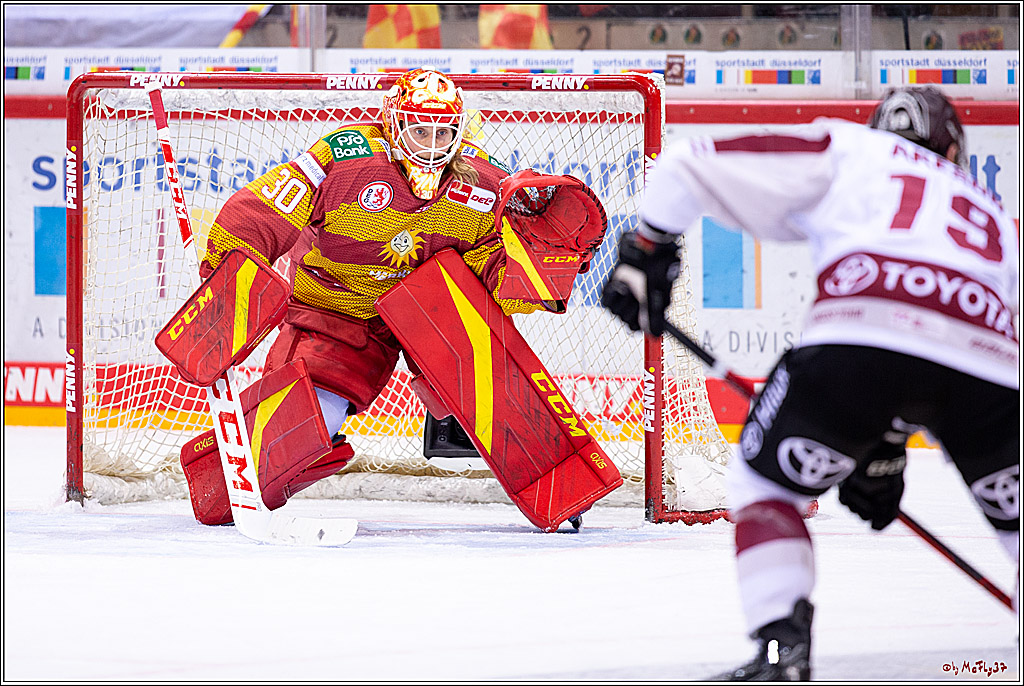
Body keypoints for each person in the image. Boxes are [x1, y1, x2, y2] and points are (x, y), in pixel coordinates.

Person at [602, 85, 1019, 680]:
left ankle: (781, 651)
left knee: (762, 486)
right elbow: (937, 347)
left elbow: (685, 163)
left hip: (855, 343)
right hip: (990, 367)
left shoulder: (851, 150)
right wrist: (883, 452)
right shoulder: (993, 213)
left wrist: (647, 249)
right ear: (954, 151)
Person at [176, 67, 608, 527]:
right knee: (307, 421)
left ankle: (557, 485)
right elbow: (258, 212)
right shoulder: (344, 158)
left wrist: (536, 270)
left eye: (444, 133)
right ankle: (226, 478)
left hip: (431, 313)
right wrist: (223, 278)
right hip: (338, 308)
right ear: (394, 122)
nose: (431, 144)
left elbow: (492, 275)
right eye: (421, 129)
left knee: (502, 386)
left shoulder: (482, 183)